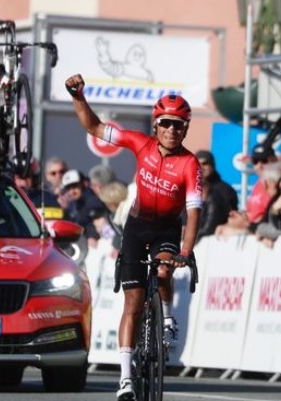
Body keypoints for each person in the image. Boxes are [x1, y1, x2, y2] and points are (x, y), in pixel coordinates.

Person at [65, 73, 202, 401]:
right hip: (137, 228)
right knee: (133, 303)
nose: (172, 130)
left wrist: (186, 250)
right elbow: (94, 127)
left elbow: (194, 211)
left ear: (185, 129)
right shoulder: (140, 143)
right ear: (156, 124)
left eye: (179, 125)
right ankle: (126, 378)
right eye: (166, 123)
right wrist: (78, 97)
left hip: (167, 229)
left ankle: (166, 318)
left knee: (164, 270)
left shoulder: (190, 163)